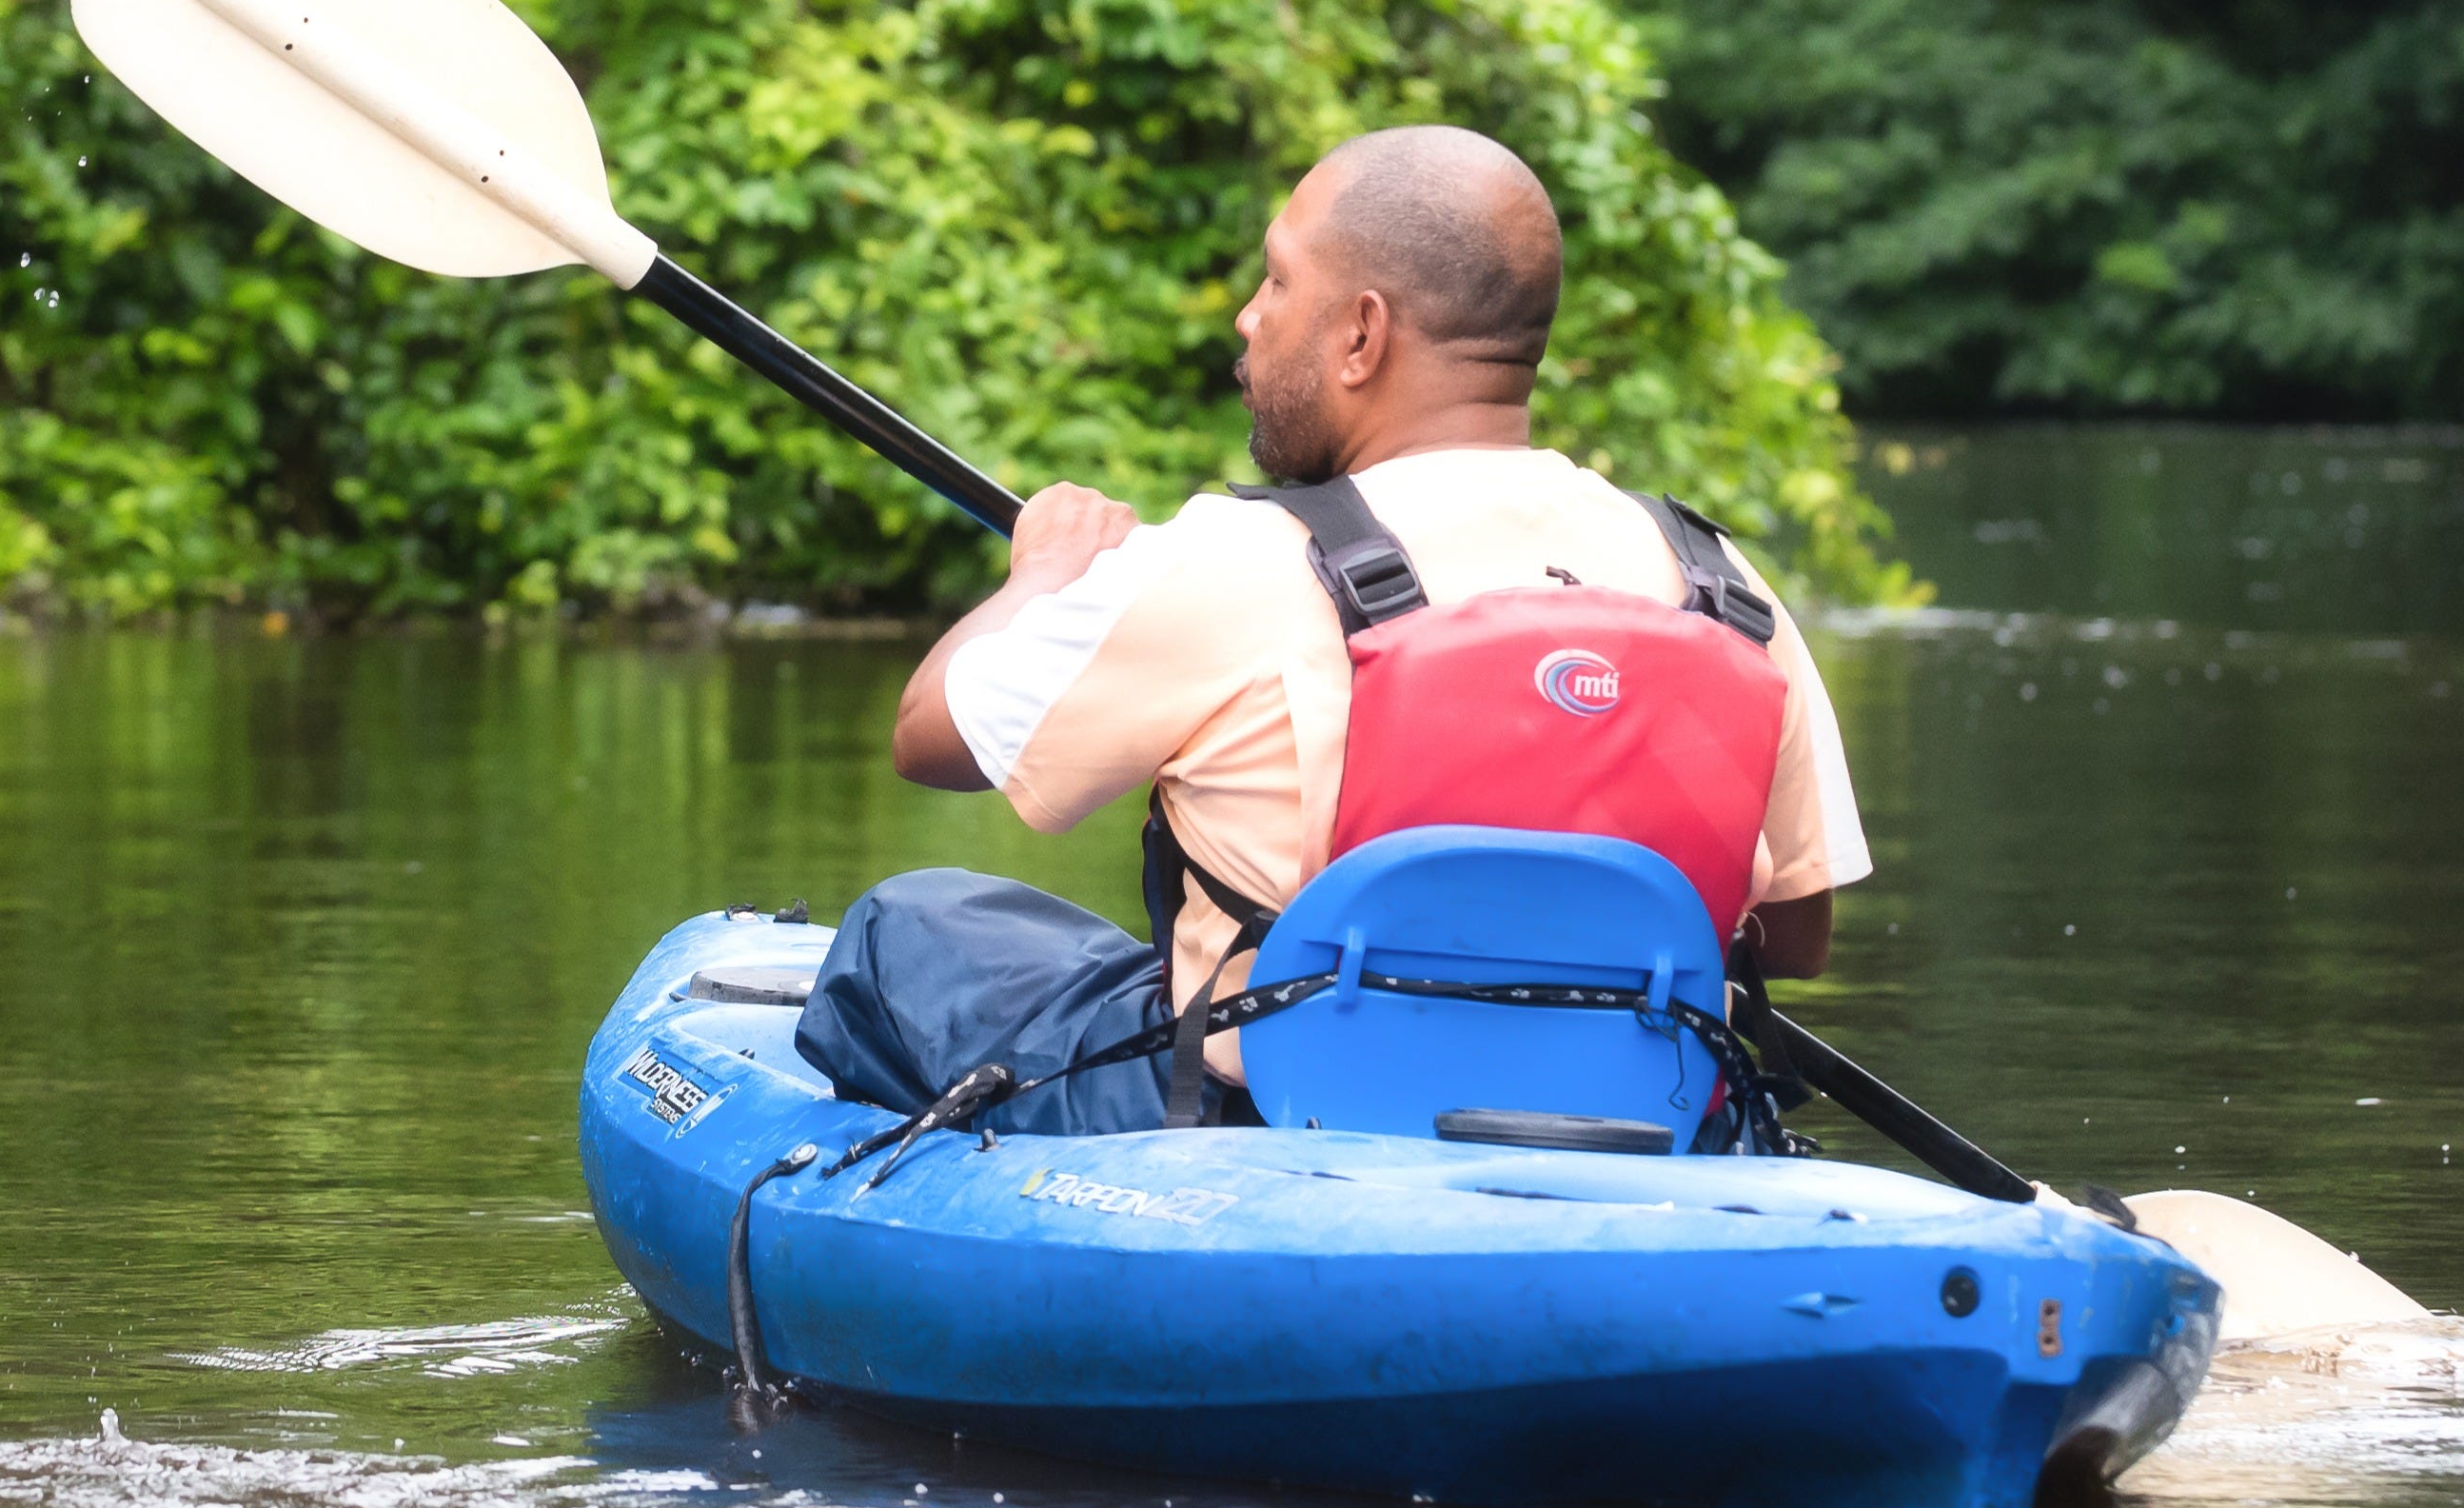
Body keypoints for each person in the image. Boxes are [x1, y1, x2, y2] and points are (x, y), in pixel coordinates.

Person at [794, 125, 1874, 1136]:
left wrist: (1038, 577)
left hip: (1273, 1123)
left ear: (1361, 333)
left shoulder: (1238, 557)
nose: (1248, 316)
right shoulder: (1713, 579)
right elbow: (1793, 936)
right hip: (1641, 1117)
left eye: (1275, 280)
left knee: (911, 926)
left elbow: (931, 737)